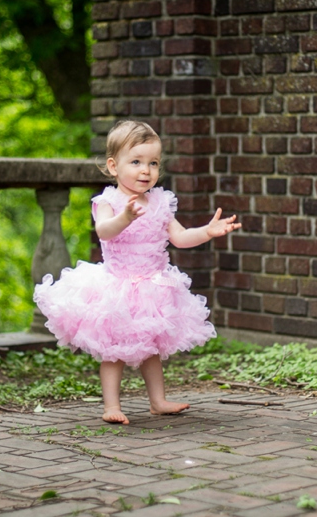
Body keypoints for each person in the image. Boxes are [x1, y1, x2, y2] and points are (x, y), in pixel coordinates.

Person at [34, 120, 240, 425]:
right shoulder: (109, 201)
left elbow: (180, 237)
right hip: (116, 288)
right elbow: (104, 231)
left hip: (152, 287)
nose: (146, 170)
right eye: (136, 162)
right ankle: (111, 405)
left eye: (153, 163)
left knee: (150, 347)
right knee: (113, 350)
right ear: (113, 166)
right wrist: (125, 217)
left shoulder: (160, 202)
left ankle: (158, 401)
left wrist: (206, 232)